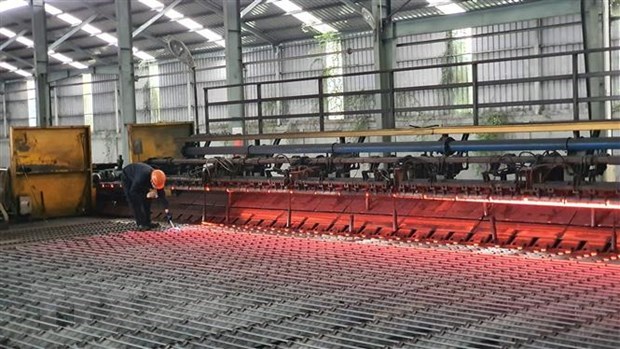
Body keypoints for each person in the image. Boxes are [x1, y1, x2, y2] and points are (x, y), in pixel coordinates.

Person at [121, 163, 171, 231]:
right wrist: (146, 195)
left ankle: (147, 222)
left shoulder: (158, 178)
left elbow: (162, 195)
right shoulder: (141, 178)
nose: (156, 188)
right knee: (134, 201)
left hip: (140, 179)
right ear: (151, 181)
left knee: (147, 201)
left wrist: (167, 211)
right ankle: (141, 224)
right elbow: (133, 192)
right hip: (128, 177)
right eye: (155, 186)